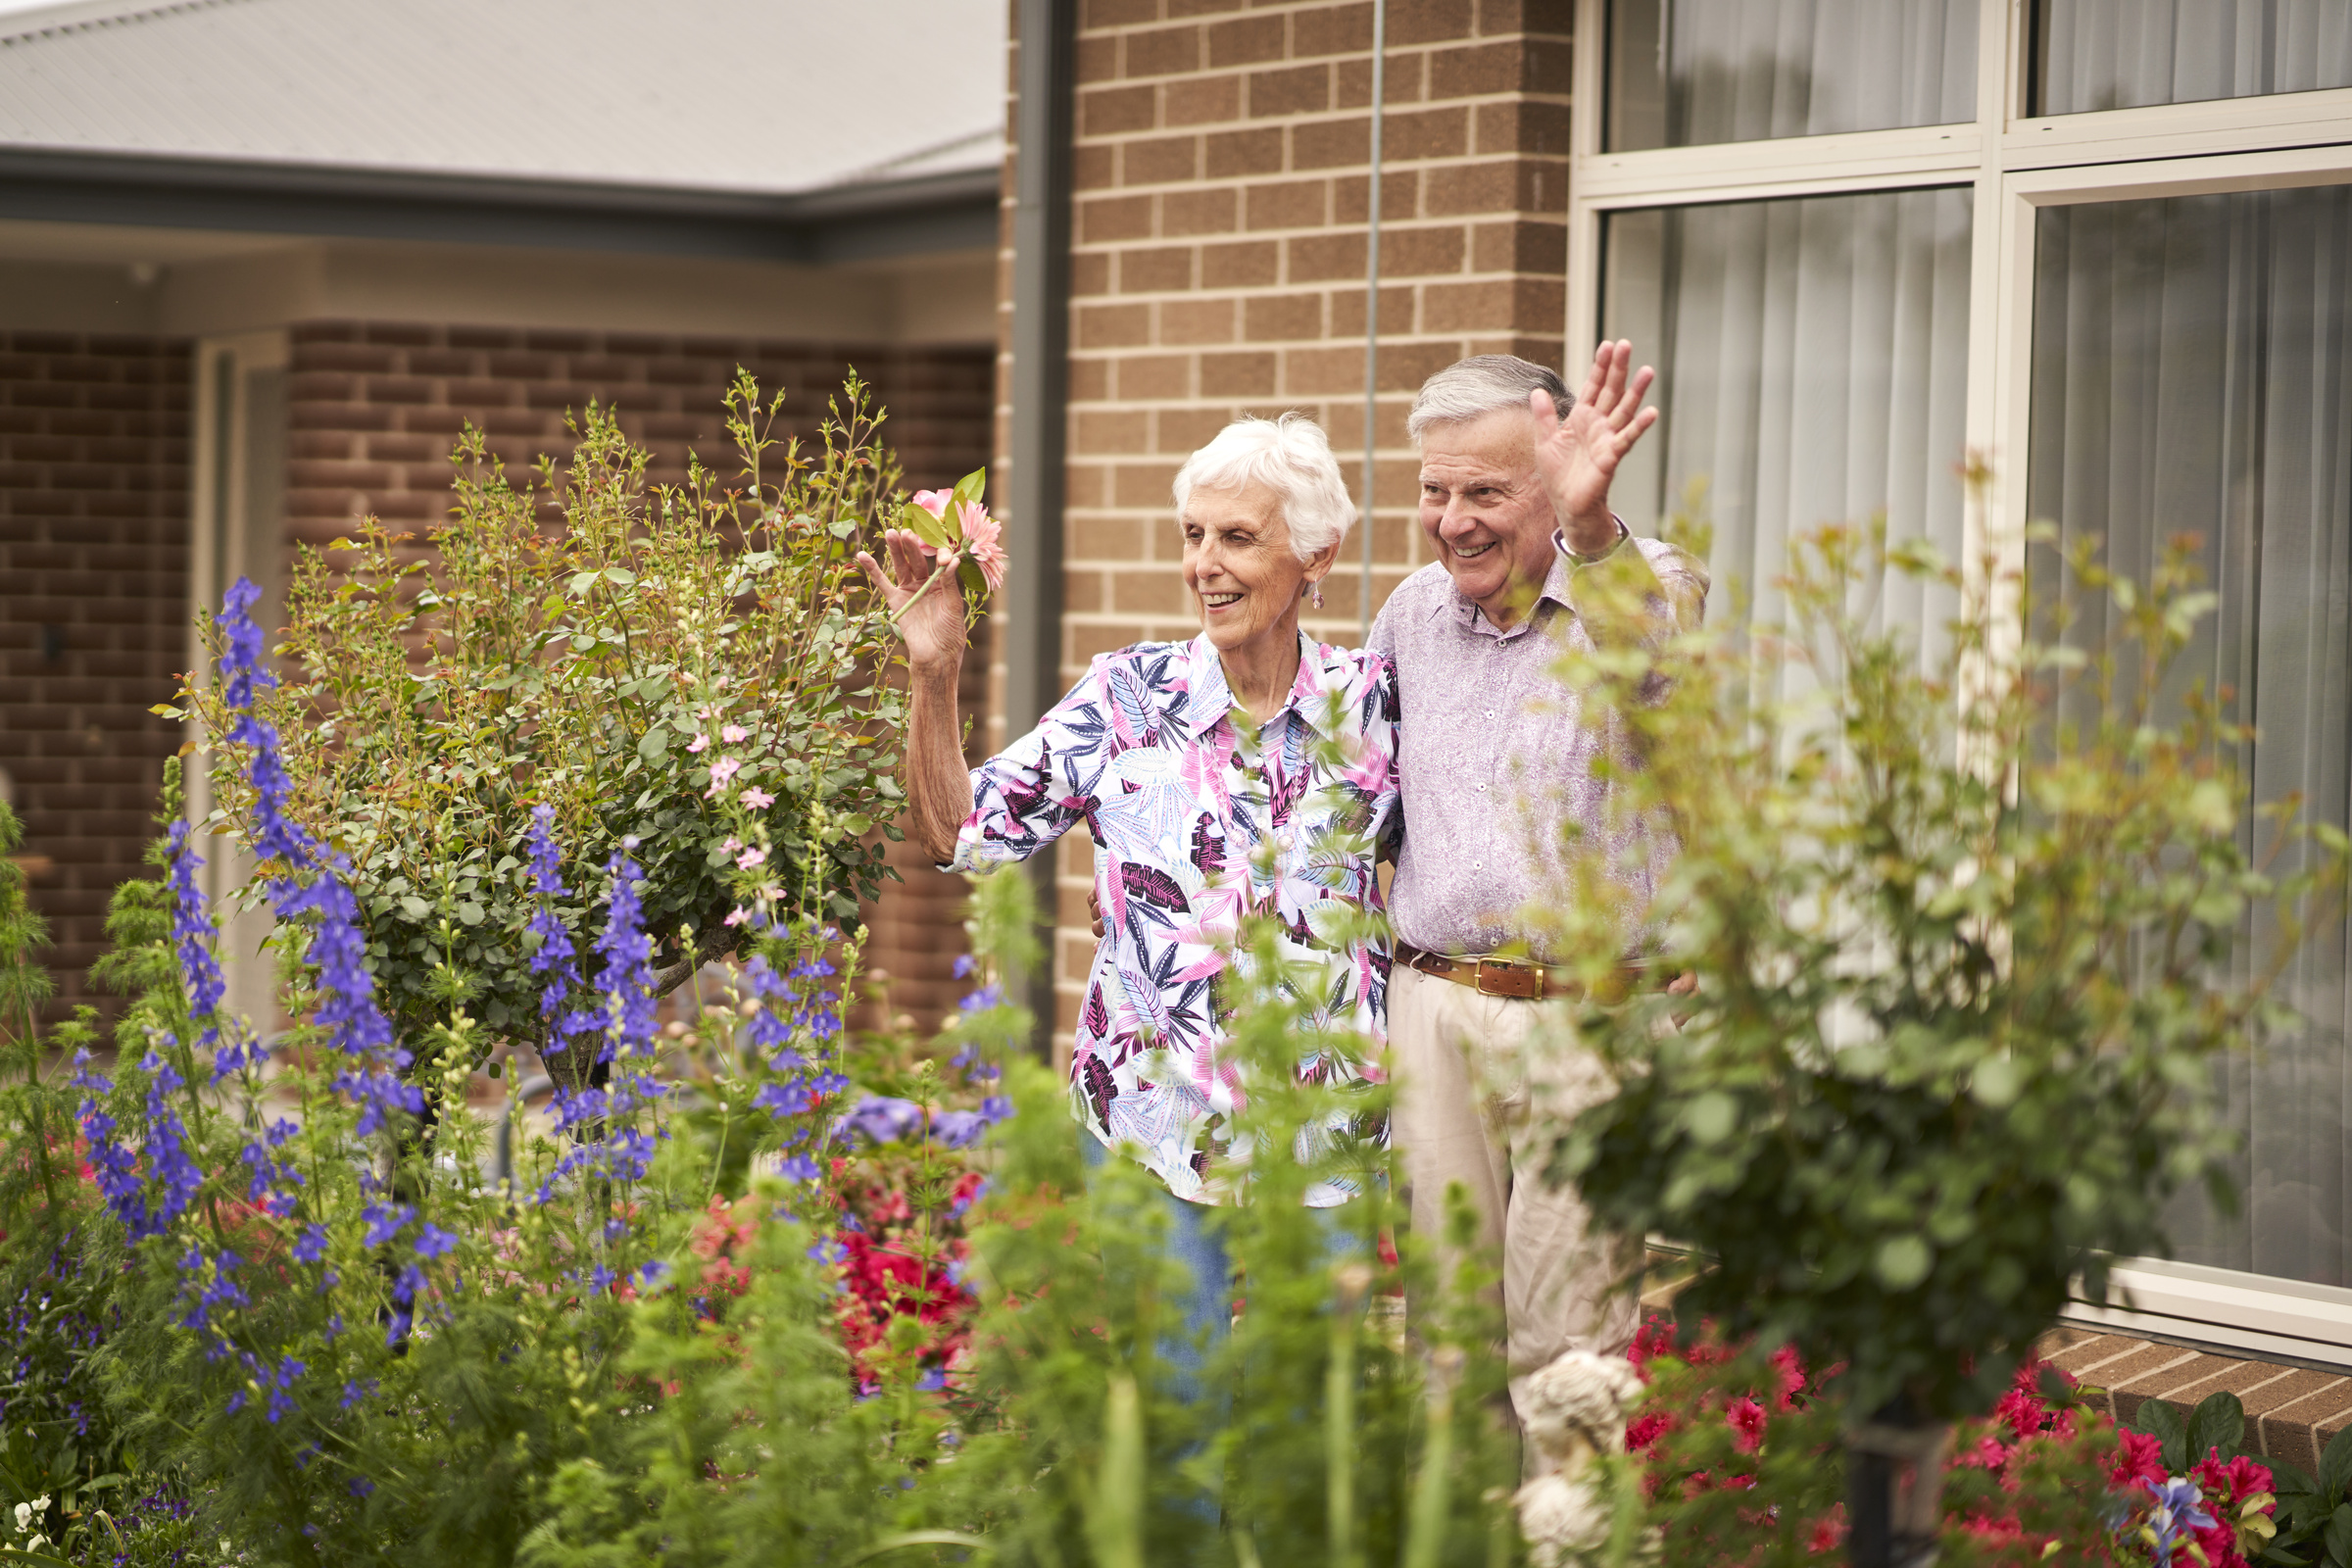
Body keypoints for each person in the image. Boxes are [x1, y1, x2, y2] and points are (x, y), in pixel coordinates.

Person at [859, 412, 1398, 1371]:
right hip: (1154, 1127)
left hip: (1322, 1144)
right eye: (1194, 535)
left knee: (1306, 1459)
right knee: (1175, 1448)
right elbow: (959, 830)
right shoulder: (1128, 699)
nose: (1205, 564)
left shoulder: (1374, 709)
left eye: (1237, 537)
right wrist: (935, 676)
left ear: (1318, 554)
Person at [1369, 344, 1707, 1468]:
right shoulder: (1411, 617)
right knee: (1447, 1349)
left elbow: (1672, 696)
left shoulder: (1639, 583)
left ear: (1553, 482)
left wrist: (1592, 529)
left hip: (1587, 1021)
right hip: (1436, 1005)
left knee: (1566, 1351)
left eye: (1484, 492)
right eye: (1434, 489)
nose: (1452, 520)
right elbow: (1353, 796)